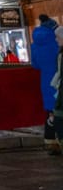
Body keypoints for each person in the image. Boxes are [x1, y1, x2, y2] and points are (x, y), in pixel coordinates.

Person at [31, 13, 61, 155]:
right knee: (60, 111)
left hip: (45, 80)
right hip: (59, 80)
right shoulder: (56, 41)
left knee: (50, 111)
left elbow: (35, 65)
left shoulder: (35, 44)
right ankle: (60, 139)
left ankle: (51, 142)